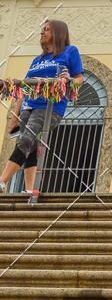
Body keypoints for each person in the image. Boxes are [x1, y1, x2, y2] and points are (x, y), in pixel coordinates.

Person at [0, 19, 84, 194]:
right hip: (28, 106)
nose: (42, 32)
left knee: (25, 141)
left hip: (50, 107)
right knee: (29, 146)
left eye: (46, 29)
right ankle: (30, 189)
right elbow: (25, 87)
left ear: (58, 33)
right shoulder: (38, 60)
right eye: (42, 29)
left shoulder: (70, 52)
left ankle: (2, 181)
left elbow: (79, 79)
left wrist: (68, 80)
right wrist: (16, 114)